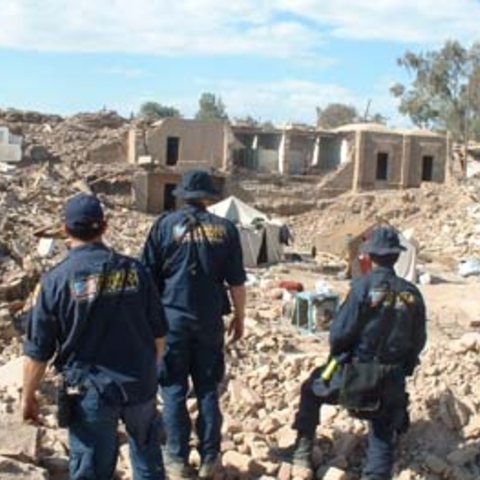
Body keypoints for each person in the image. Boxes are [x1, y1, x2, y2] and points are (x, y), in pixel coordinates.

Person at [22, 193, 167, 480]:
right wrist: (149, 370)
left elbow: (38, 351)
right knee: (147, 457)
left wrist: (28, 395)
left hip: (91, 391)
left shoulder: (55, 280)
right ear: (105, 226)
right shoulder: (135, 271)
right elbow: (159, 334)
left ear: (64, 229)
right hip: (139, 383)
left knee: (90, 467)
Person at [291, 226, 427, 480]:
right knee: (382, 433)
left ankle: (301, 452)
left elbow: (340, 334)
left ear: (369, 256)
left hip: (355, 374)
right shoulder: (412, 293)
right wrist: (402, 368)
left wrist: (341, 356)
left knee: (311, 390)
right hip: (391, 377)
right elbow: (418, 340)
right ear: (397, 257)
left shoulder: (363, 287)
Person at [141, 169, 247, 479]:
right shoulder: (226, 229)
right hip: (210, 323)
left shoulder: (163, 226)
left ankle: (175, 460)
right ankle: (209, 459)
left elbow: (147, 278)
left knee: (173, 389)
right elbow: (237, 282)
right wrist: (240, 317)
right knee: (207, 390)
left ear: (182, 196)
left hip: (170, 322)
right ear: (207, 197)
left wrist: (147, 323)